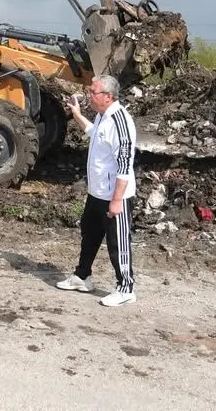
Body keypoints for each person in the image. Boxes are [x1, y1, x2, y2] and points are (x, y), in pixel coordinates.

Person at [56, 74, 138, 307]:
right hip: (97, 193)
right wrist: (77, 115)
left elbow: (124, 164)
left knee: (117, 242)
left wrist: (116, 200)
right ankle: (83, 276)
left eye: (94, 92)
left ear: (109, 96)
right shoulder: (103, 117)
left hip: (114, 195)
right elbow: (94, 134)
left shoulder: (120, 121)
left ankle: (126, 288)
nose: (90, 96)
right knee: (89, 235)